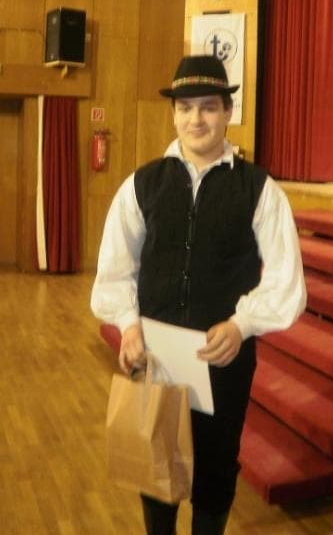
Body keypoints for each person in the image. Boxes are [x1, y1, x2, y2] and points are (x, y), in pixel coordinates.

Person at [91, 55, 306, 535]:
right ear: (173, 114)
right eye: (185, 108)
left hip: (224, 358)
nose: (196, 119)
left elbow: (286, 280)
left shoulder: (259, 189)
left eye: (208, 107)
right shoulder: (142, 184)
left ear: (228, 112)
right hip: (156, 355)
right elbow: (116, 269)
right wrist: (128, 326)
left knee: (215, 468)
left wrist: (241, 325)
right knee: (156, 464)